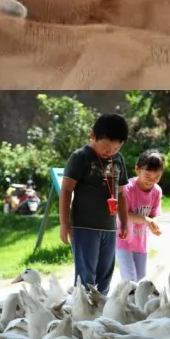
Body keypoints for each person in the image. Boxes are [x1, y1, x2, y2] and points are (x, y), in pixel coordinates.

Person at [59, 113, 130, 296]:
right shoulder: (80, 157)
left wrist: (124, 221)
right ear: (92, 135)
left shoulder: (119, 160)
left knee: (105, 274)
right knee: (86, 276)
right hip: (84, 227)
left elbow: (121, 193)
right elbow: (66, 190)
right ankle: (83, 315)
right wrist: (64, 223)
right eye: (106, 147)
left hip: (109, 227)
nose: (110, 152)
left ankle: (100, 314)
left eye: (116, 148)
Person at [116, 149, 164, 282]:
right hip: (123, 241)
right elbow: (122, 214)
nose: (152, 181)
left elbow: (154, 215)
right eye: (148, 176)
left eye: (157, 177)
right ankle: (124, 301)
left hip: (141, 243)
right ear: (137, 170)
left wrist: (153, 223)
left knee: (141, 280)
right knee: (130, 280)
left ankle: (132, 301)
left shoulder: (157, 191)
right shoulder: (128, 188)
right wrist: (145, 219)